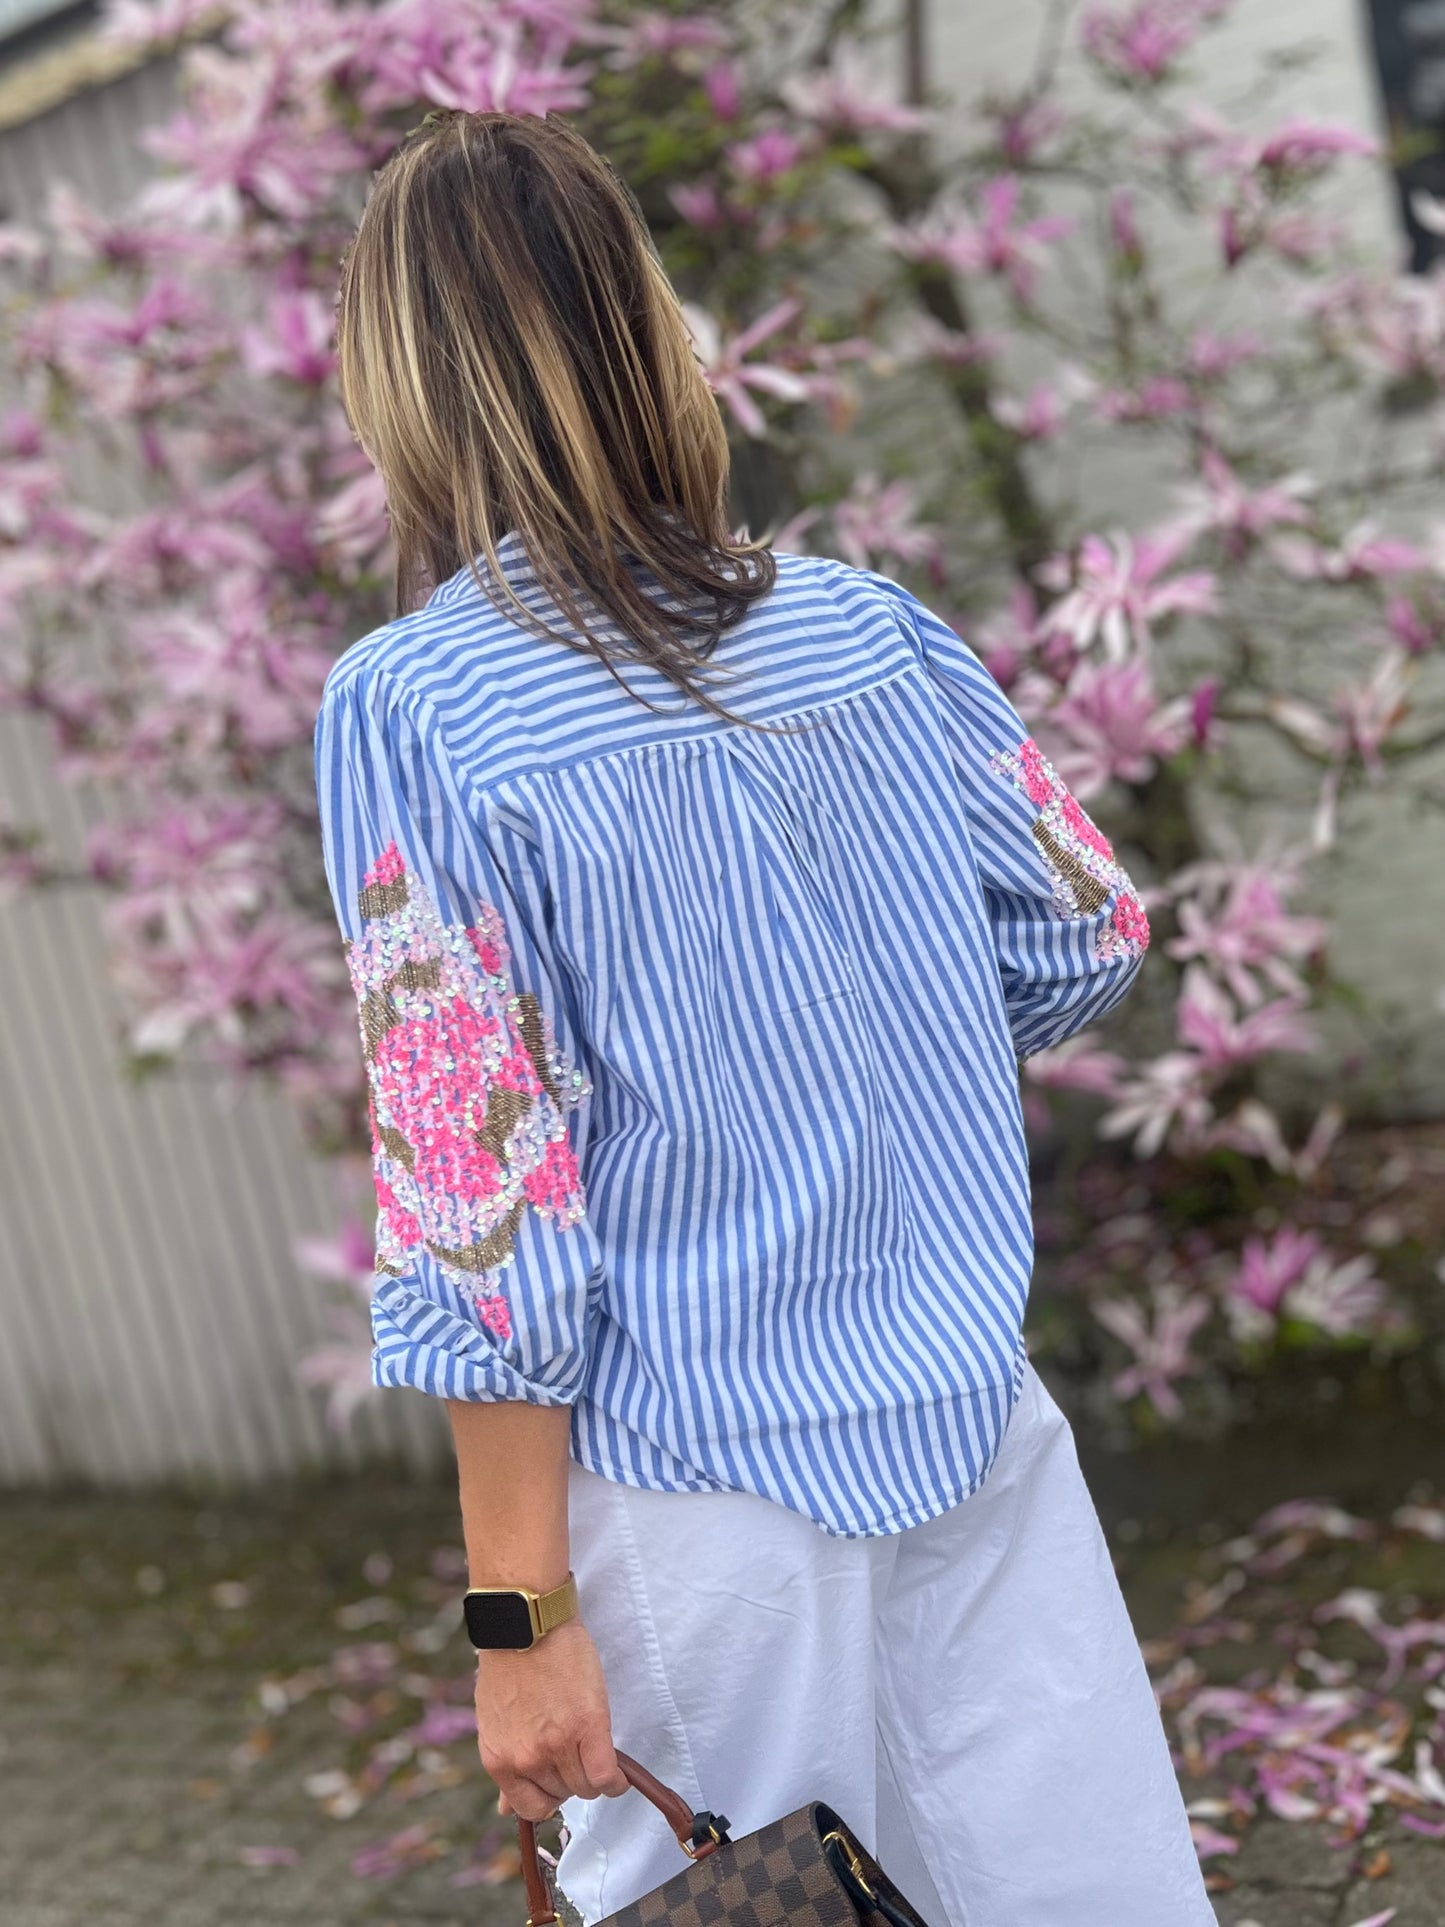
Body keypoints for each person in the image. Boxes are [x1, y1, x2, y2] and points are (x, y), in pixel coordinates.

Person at [317, 108, 1214, 1927]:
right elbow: (1082, 936)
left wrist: (520, 1624)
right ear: (652, 331)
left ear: (400, 382)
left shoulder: (415, 702)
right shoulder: (867, 630)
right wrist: (867, 1038)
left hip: (700, 1503)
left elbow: (485, 1217)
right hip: (971, 1422)